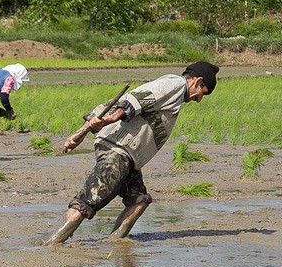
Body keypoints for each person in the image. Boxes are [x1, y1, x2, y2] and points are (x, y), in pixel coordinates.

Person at [45, 61, 220, 245]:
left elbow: (113, 104)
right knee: (89, 199)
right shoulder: (176, 84)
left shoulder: (173, 91)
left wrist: (81, 132)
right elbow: (137, 99)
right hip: (119, 151)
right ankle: (51, 244)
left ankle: (114, 243)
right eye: (203, 92)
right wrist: (109, 119)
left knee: (139, 200)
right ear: (197, 81)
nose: (199, 99)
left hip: (128, 156)